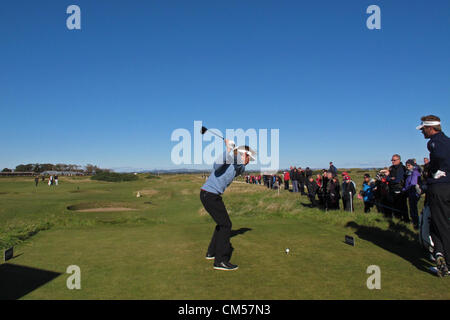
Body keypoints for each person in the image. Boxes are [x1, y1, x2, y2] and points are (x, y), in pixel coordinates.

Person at [200, 139, 255, 271]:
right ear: (243, 155)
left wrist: (236, 153)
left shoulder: (238, 166)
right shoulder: (229, 160)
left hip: (212, 195)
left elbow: (240, 167)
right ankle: (220, 261)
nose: (250, 160)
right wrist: (229, 149)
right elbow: (216, 165)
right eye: (249, 157)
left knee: (222, 224)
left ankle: (211, 252)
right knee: (226, 225)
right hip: (209, 194)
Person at [417, 115, 450, 277]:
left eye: (423, 129)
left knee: (441, 224)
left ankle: (447, 263)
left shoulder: (435, 142)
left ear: (431, 128)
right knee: (437, 224)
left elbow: (441, 157)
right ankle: (439, 254)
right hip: (444, 187)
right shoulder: (446, 140)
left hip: (441, 188)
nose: (422, 132)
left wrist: (436, 171)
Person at [383, 154, 408, 221]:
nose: (392, 161)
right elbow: (389, 178)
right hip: (392, 189)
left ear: (399, 160)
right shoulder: (391, 168)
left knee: (402, 205)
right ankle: (398, 219)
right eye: (392, 160)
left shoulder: (402, 168)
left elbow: (398, 180)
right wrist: (390, 178)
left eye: (394, 160)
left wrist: (389, 178)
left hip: (400, 189)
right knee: (394, 205)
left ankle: (406, 220)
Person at [402, 159, 421, 229]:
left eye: (409, 165)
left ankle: (416, 224)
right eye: (406, 165)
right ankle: (415, 222)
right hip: (410, 192)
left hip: (414, 193)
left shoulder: (415, 173)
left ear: (412, 165)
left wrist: (404, 189)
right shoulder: (409, 173)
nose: (407, 167)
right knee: (412, 208)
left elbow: (413, 183)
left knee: (413, 208)